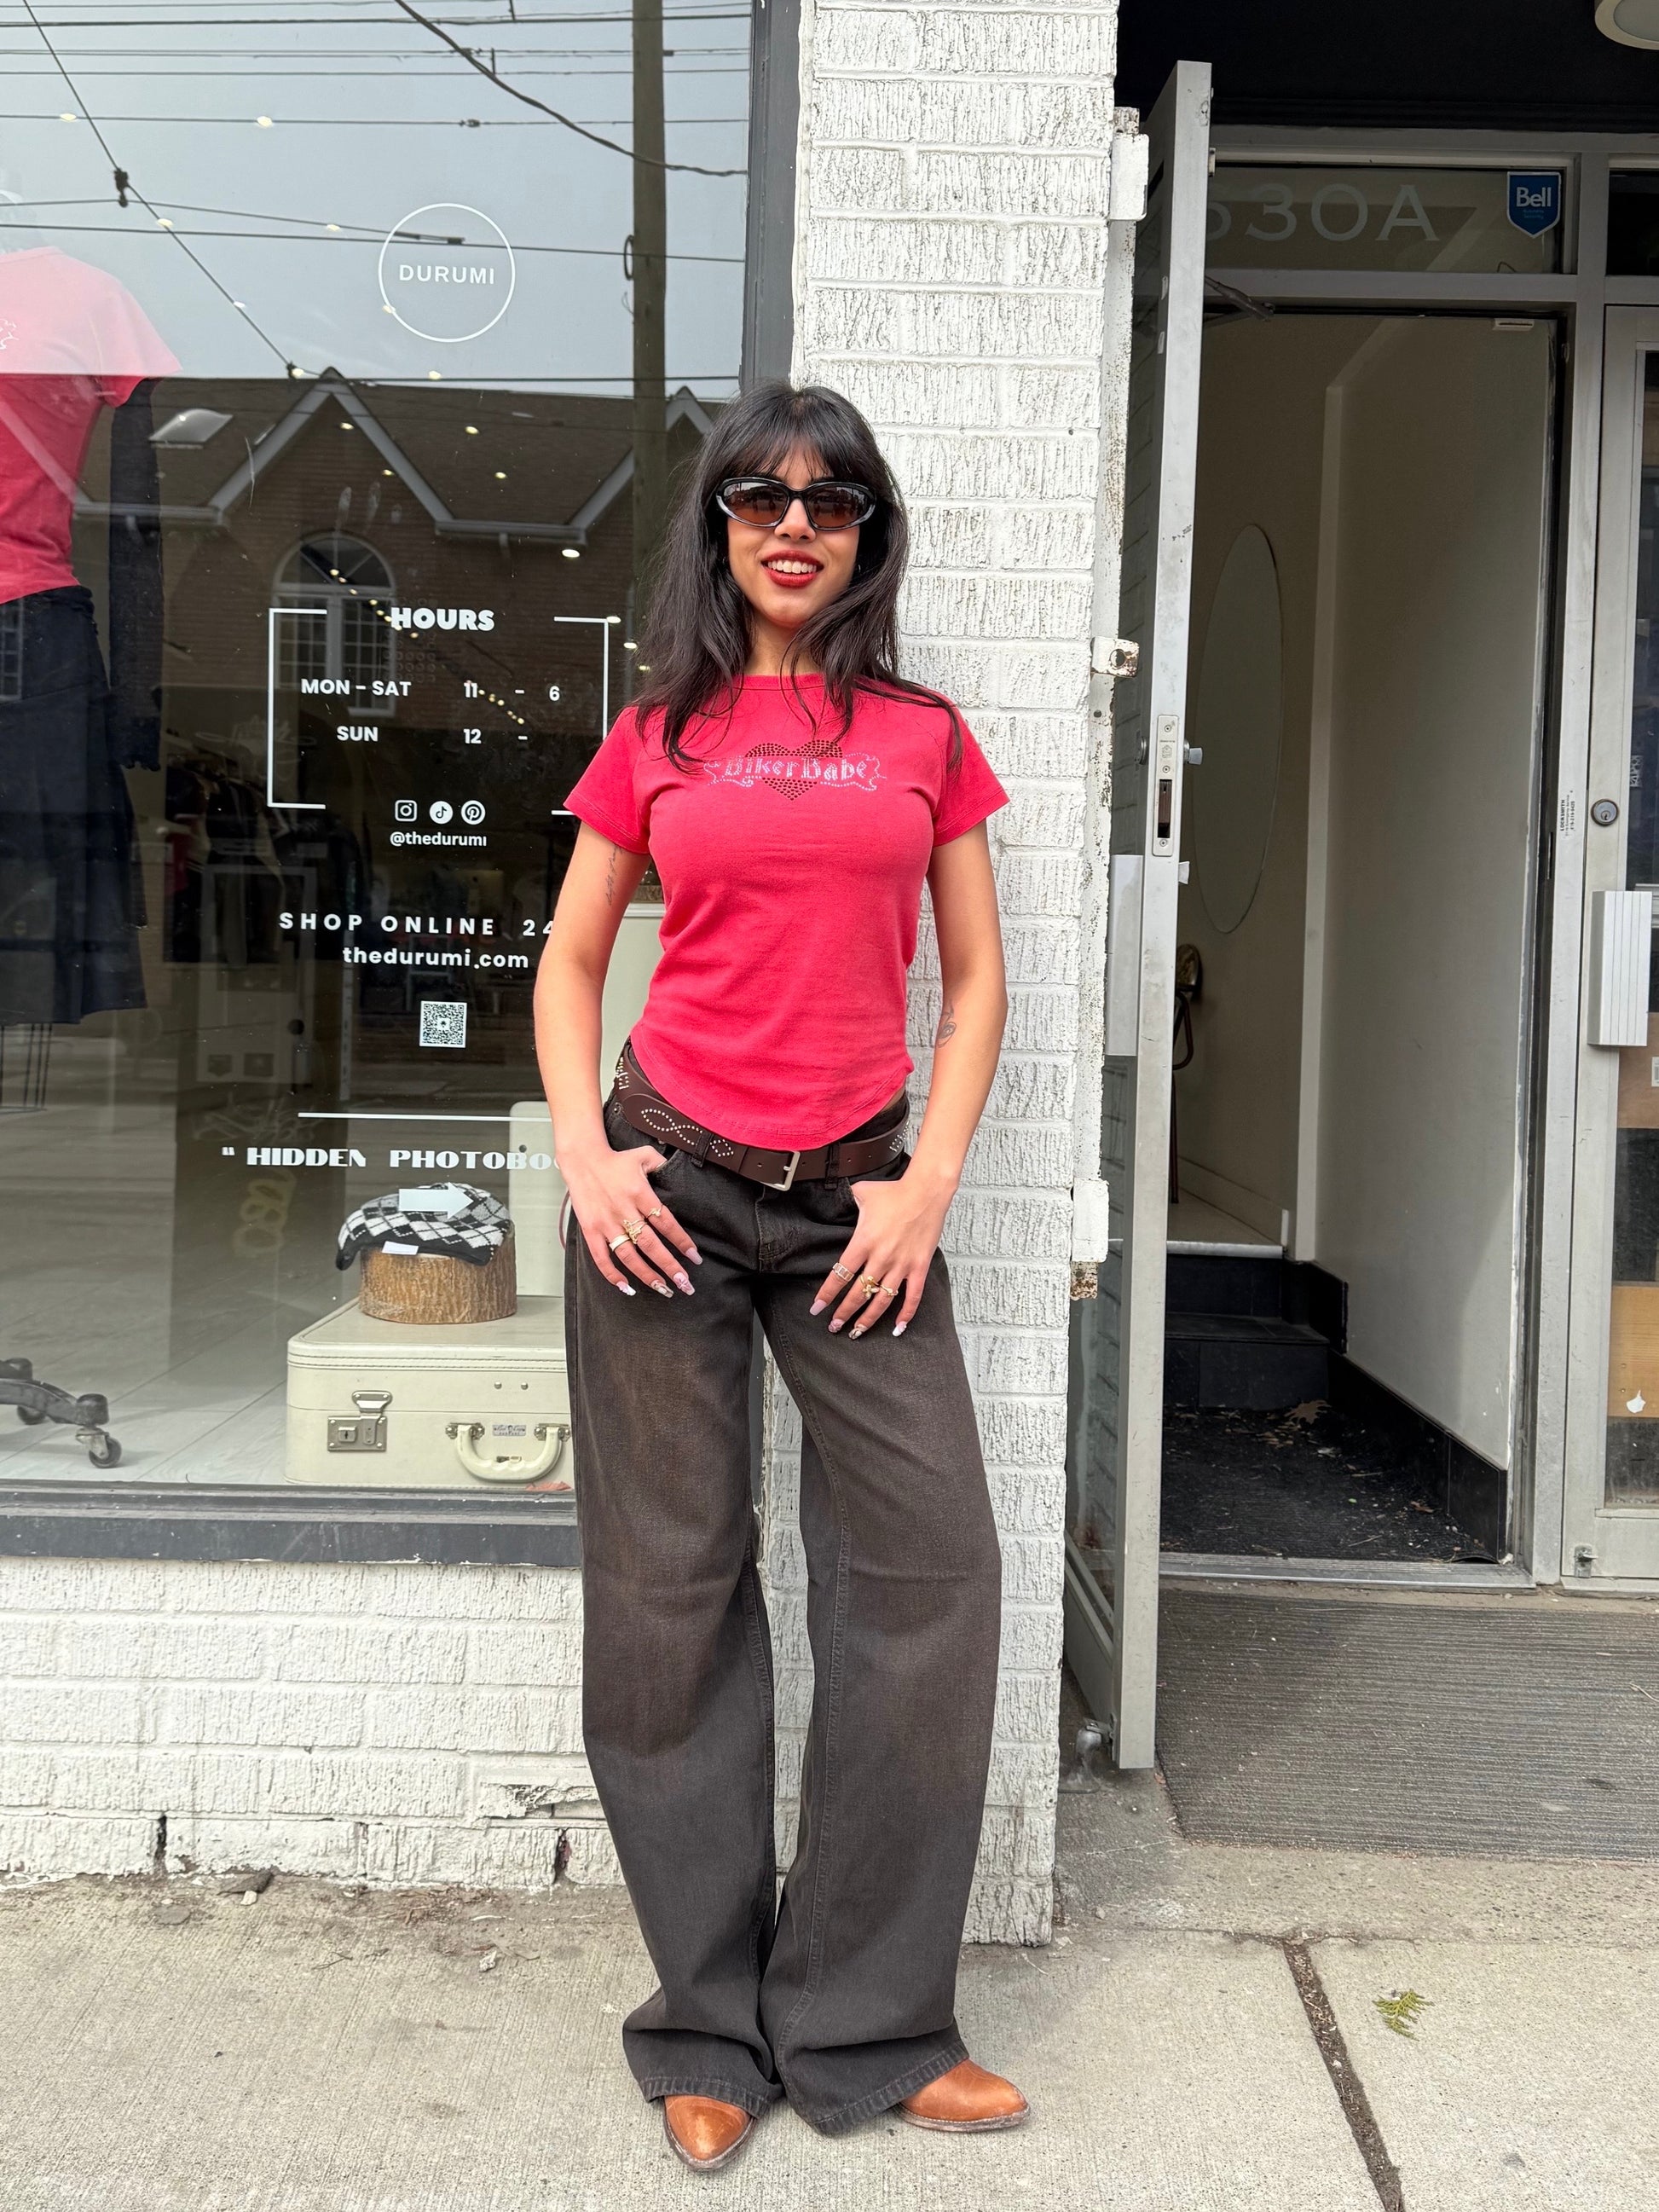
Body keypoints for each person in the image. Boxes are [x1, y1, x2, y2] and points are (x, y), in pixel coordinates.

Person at [534, 380, 1026, 2170]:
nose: (794, 525)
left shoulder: (923, 738)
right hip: (666, 1185)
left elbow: (971, 984)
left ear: (867, 532)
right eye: (759, 497)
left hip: (854, 1206)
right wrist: (585, 1157)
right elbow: (569, 959)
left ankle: (870, 2019)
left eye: (829, 500)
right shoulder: (656, 731)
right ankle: (706, 2026)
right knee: (667, 1594)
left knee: (931, 1579)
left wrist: (925, 1188)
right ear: (719, 528)